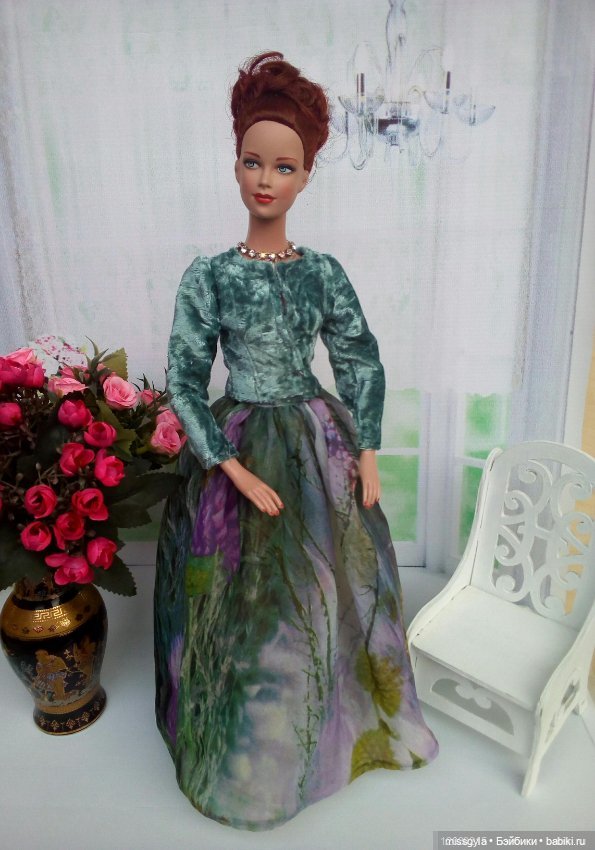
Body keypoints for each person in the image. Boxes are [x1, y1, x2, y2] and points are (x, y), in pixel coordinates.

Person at [154, 51, 438, 832]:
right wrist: (231, 469)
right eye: (253, 162)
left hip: (316, 444)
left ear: (307, 176)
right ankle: (244, 754)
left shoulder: (322, 273)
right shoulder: (209, 276)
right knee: (239, 601)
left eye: (284, 166)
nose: (265, 180)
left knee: (328, 591)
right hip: (239, 441)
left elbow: (358, 358)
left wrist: (367, 448)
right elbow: (184, 379)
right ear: (235, 165)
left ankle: (331, 729)